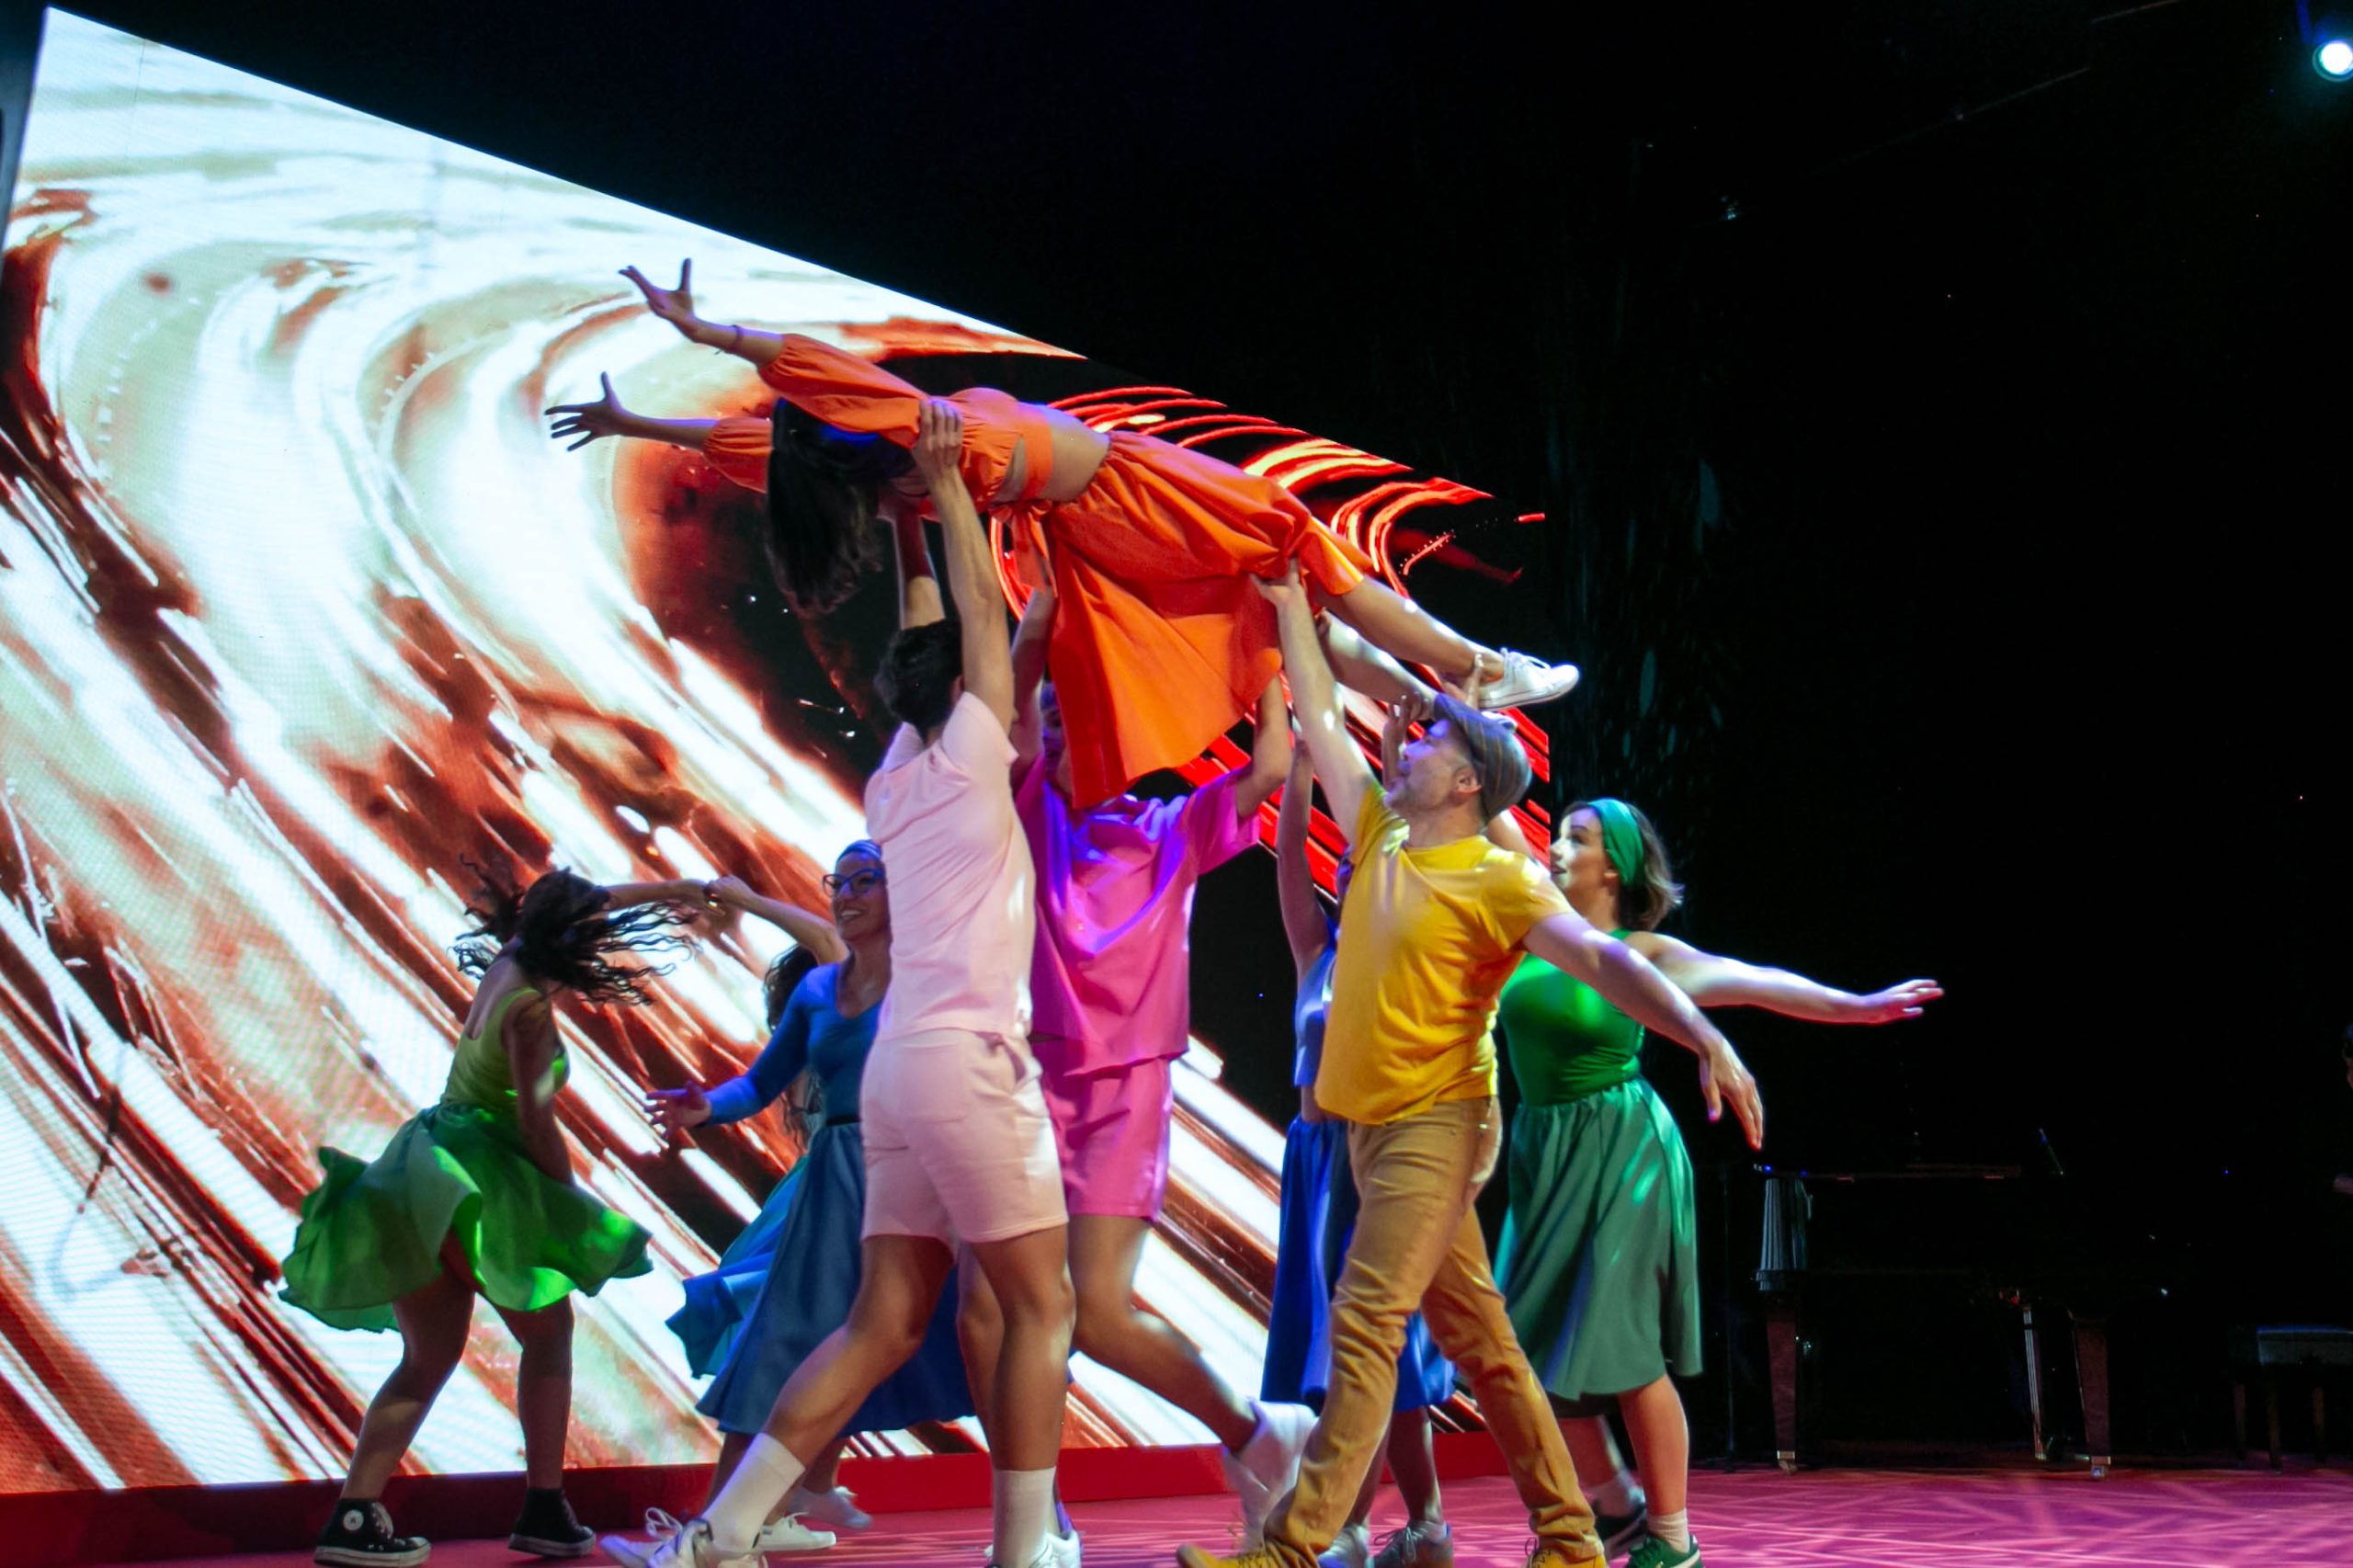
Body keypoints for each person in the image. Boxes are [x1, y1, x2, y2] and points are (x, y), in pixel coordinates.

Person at [1176, 562, 1763, 1568]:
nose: (1403, 738)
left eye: (1430, 738)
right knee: (1485, 1345)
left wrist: (1706, 1037)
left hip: (1437, 1123)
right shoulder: (1380, 833)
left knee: (1365, 1321)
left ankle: (1293, 1544)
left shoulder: (1502, 880)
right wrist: (1287, 610)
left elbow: (1609, 963)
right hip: (1368, 1130)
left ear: (1465, 782)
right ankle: (1571, 1535)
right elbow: (1318, 707)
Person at [543, 260, 1578, 808]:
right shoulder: (908, 440)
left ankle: (1427, 696)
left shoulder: (884, 465)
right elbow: (803, 375)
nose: (804, 411)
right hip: (1128, 495)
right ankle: (1476, 668)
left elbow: (762, 434)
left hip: (1102, 524)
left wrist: (642, 417)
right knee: (1296, 542)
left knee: (1270, 604)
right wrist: (707, 336)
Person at [605, 401, 1076, 1568]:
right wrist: (948, 489)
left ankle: (721, 1531)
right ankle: (1024, 1549)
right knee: (1042, 1307)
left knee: (882, 1319)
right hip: (970, 1061)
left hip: (901, 1076)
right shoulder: (971, 755)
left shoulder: (896, 775)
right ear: (966, 698)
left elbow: (938, 631)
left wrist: (912, 521)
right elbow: (979, 621)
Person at [1485, 797, 1939, 1568]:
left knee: (1628, 1350)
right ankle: (1618, 1509)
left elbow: (1756, 982)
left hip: (1622, 1151)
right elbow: (1490, 792)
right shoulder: (1538, 916)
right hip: (1544, 1153)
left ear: (1614, 866)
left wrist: (1858, 1009)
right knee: (1523, 1352)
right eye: (1555, 835)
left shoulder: (1644, 952)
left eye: (1576, 838)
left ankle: (1672, 1539)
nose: (1555, 846)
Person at [963, 570, 1313, 1544]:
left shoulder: (1168, 830)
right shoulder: (1026, 810)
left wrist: (1264, 649)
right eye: (1049, 720)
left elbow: (1271, 763)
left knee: (1098, 1312)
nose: (1056, 735)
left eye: (1072, 720)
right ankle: (1033, 1520)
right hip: (1025, 1085)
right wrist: (1039, 620)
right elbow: (1009, 721)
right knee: (982, 1312)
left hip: (1124, 1095)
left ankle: (1258, 1432)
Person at [280, 869, 700, 1567]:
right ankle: (543, 1507)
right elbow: (536, 1122)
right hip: (481, 1175)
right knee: (550, 1335)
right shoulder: (529, 1010)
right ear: (574, 939)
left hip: (425, 1167)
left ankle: (353, 1516)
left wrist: (674, 887)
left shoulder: (508, 959)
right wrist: (566, 1204)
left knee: (427, 1359)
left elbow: (587, 903)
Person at [629, 850, 979, 1559]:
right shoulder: (820, 989)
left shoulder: (930, 976)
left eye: (864, 880)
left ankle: (1040, 1529)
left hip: (920, 1176)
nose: (846, 894)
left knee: (962, 1338)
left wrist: (746, 899)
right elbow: (759, 1085)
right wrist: (705, 1108)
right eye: (838, 883)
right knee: (785, 1346)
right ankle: (724, 1531)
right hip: (842, 1182)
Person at [1263, 743, 1450, 1568]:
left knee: (1363, 1351)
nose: (1344, 867)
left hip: (1372, 1159)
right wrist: (1302, 769)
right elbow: (1287, 867)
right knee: (1376, 1358)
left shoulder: (1405, 952)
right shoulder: (1318, 953)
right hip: (1313, 1163)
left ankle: (1348, 1526)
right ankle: (1428, 1527)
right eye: (1341, 859)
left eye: (1363, 857)